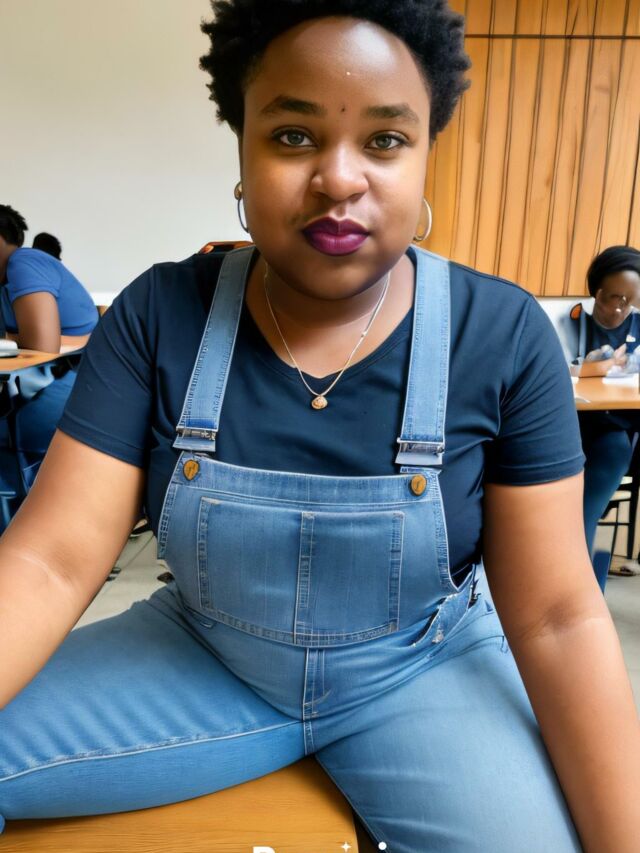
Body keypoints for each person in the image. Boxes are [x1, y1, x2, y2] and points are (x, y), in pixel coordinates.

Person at [0, 3, 639, 851]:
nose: (339, 179)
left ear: (426, 154)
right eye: (293, 136)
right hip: (200, 659)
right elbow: (48, 561)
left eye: (385, 140)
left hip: (424, 670)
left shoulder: (502, 334)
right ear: (242, 147)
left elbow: (558, 615)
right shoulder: (158, 313)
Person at [0, 205, 98, 502]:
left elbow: (41, 347)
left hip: (67, 380)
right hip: (46, 380)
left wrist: (10, 338)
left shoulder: (24, 262)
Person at [561, 246, 640, 586]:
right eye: (613, 298)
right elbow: (560, 369)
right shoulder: (571, 320)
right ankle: (582, 582)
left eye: (629, 300)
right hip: (570, 428)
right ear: (597, 292)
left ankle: (581, 584)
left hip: (619, 432)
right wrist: (604, 366)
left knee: (613, 453)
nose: (620, 308)